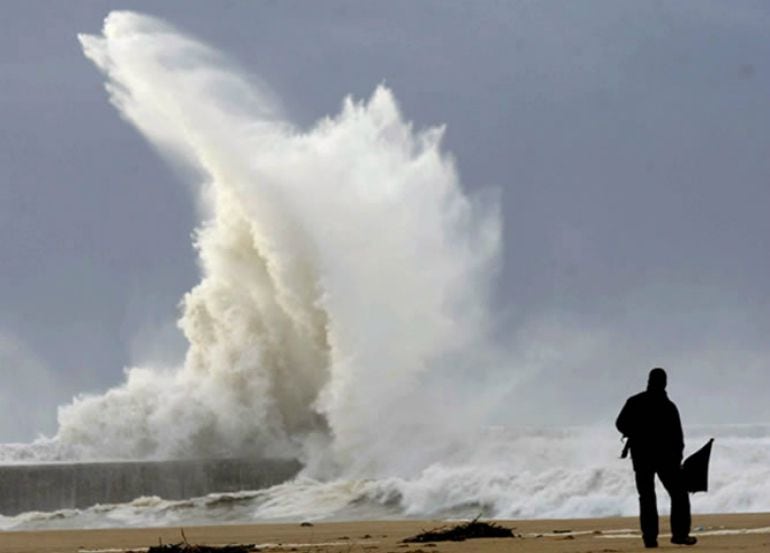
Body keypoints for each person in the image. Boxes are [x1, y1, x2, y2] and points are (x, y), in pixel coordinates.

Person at [616, 367, 697, 548]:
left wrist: (635, 433)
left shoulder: (635, 402)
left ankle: (650, 539)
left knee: (646, 497)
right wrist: (678, 458)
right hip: (666, 458)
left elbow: (620, 424)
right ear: (665, 383)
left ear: (648, 381)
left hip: (641, 456)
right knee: (678, 494)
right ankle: (680, 535)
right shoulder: (668, 406)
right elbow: (678, 437)